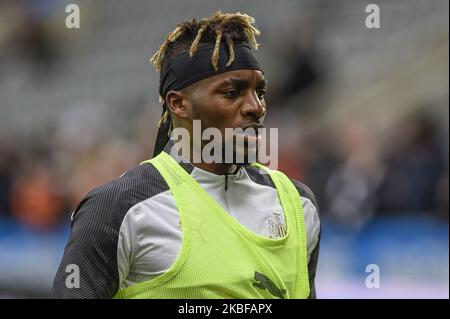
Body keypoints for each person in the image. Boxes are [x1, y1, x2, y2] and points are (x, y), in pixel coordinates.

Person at [52, 11, 321, 299]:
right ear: (178, 104)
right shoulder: (118, 208)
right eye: (232, 93)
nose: (256, 107)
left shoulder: (298, 204)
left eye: (260, 91)